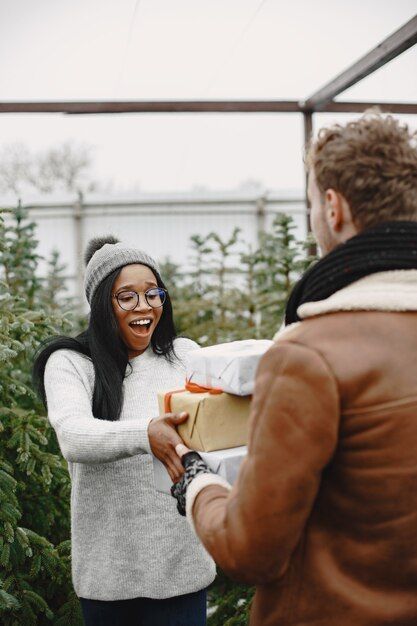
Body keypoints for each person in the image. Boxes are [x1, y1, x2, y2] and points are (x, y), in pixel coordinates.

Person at [170, 112, 417, 626]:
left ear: (333, 207)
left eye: (310, 205)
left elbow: (250, 550)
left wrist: (196, 482)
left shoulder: (308, 354)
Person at [33, 236, 215, 626]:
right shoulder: (71, 364)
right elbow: (74, 435)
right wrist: (147, 433)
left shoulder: (184, 355)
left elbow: (219, 419)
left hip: (181, 571)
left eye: (153, 294)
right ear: (102, 305)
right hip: (109, 579)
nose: (144, 306)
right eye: (127, 297)